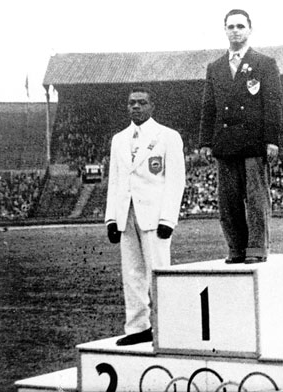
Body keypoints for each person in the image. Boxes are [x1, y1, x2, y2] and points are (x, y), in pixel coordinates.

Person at [199, 9, 283, 264]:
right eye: (231, 26)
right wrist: (205, 141)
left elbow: (273, 103)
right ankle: (236, 248)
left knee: (256, 199)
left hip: (254, 142)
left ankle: (256, 248)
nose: (236, 30)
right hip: (225, 143)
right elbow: (209, 106)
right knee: (229, 202)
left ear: (249, 30)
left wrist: (272, 139)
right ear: (225, 30)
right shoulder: (215, 67)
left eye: (240, 26)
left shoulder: (265, 63)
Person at [105, 86, 186, 346]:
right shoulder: (119, 139)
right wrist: (111, 219)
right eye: (131, 103)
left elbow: (176, 180)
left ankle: (167, 325)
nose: (136, 107)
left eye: (141, 102)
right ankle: (138, 326)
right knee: (132, 274)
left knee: (158, 271)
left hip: (154, 215)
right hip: (126, 213)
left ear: (152, 106)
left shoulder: (167, 136)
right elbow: (115, 181)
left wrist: (168, 219)